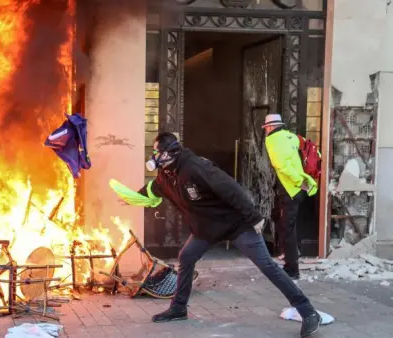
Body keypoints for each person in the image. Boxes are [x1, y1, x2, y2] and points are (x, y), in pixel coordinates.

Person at [121, 132, 321, 338]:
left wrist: (254, 217)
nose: (154, 157)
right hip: (207, 228)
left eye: (158, 153)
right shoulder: (166, 174)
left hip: (236, 224)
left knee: (267, 266)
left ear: (171, 152)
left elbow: (230, 188)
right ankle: (178, 308)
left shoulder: (195, 167)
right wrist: (133, 198)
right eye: (154, 152)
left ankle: (308, 311)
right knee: (186, 257)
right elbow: (154, 189)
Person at [262, 114, 318, 280]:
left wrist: (299, 181)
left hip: (290, 190)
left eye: (266, 128)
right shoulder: (291, 137)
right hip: (295, 190)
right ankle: (290, 260)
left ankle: (292, 268)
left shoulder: (273, 140)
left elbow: (282, 165)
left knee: (287, 228)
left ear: (270, 127)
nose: (266, 131)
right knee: (285, 225)